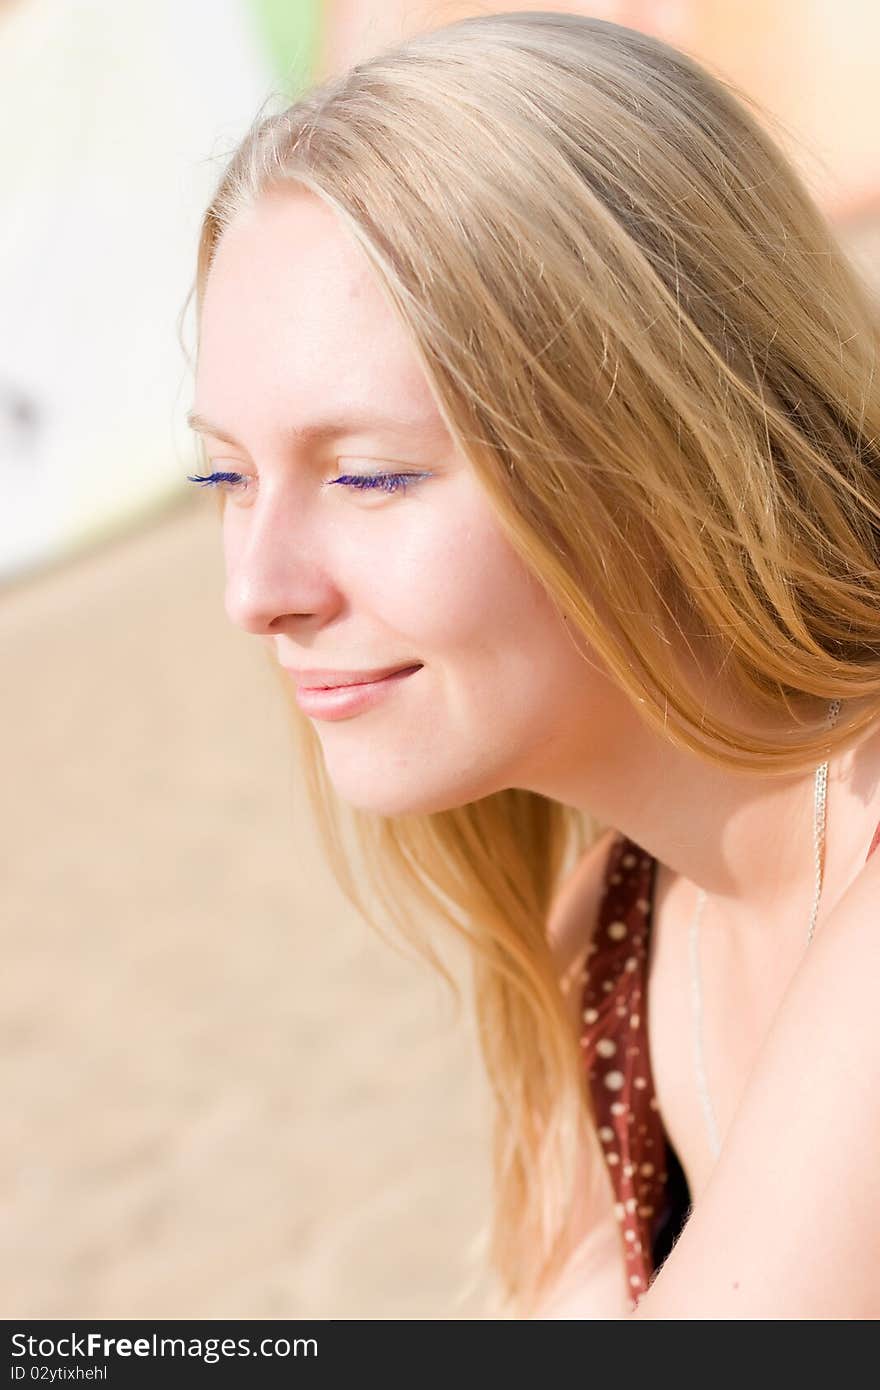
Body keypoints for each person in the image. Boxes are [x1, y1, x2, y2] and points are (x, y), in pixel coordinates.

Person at [184, 12, 880, 1319]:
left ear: (661, 442)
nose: (257, 592)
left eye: (370, 474)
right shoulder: (608, 949)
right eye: (225, 476)